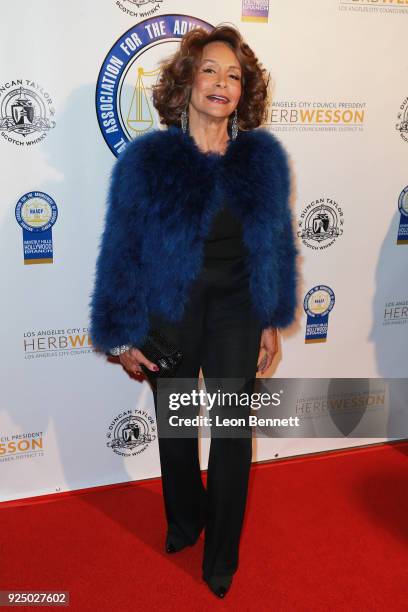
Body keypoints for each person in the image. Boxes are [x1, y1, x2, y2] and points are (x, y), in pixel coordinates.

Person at [89, 24, 298, 599]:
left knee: (233, 432)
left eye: (234, 74)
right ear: (186, 82)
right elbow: (122, 248)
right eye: (210, 69)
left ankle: (221, 556)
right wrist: (123, 331)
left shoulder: (262, 159)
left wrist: (271, 317)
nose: (221, 83)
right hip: (169, 308)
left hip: (237, 306)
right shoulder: (150, 160)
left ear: (244, 91)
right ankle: (185, 521)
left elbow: (276, 243)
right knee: (177, 430)